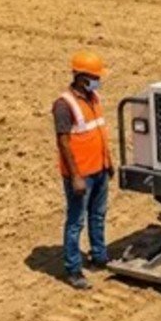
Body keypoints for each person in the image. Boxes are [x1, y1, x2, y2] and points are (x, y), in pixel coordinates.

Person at [52, 51, 112, 290]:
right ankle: (73, 269)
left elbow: (99, 132)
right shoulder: (63, 105)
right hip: (81, 175)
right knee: (76, 221)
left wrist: (108, 163)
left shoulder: (93, 97)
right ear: (81, 77)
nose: (98, 81)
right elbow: (64, 142)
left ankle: (99, 256)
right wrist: (76, 176)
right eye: (95, 77)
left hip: (99, 169)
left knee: (98, 215)